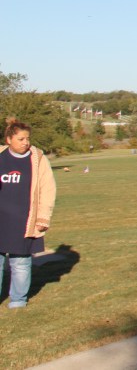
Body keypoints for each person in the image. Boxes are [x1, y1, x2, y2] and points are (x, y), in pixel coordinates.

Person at [0, 120, 56, 308]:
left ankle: (18, 300)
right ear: (9, 139)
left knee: (20, 263)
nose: (25, 142)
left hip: (23, 221)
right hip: (1, 220)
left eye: (27, 139)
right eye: (20, 139)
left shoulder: (38, 159)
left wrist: (43, 217)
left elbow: (48, 190)